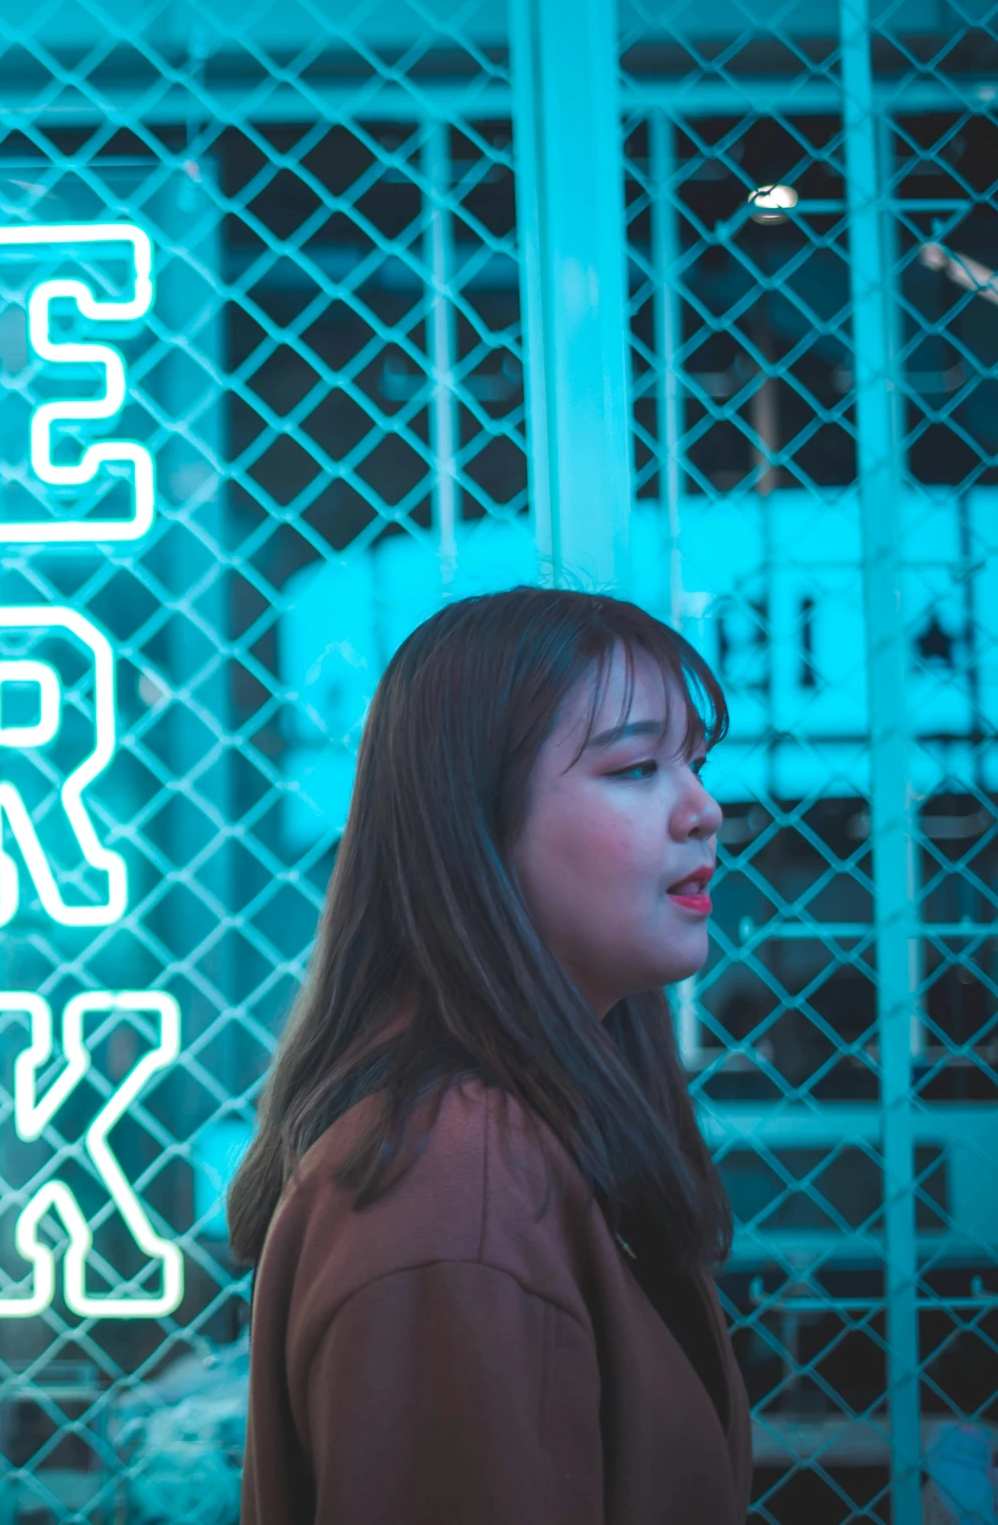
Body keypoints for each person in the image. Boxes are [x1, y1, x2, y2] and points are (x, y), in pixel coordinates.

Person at [227, 587, 748, 1525]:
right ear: (471, 825)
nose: (704, 810)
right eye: (636, 768)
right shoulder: (457, 1182)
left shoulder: (508, 1142)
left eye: (696, 764)